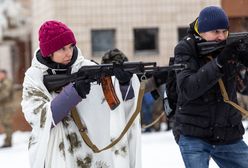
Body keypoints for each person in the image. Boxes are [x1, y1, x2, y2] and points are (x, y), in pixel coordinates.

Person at [21, 20, 141, 168]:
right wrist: (75, 92)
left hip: (93, 156)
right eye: (62, 49)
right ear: (49, 52)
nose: (69, 53)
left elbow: (116, 108)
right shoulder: (35, 77)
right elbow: (39, 117)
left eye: (71, 46)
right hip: (56, 156)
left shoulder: (87, 68)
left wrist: (123, 83)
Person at [173, 6, 248, 168]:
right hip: (194, 133)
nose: (221, 37)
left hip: (228, 132)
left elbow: (244, 88)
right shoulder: (186, 49)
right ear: (202, 31)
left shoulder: (229, 47)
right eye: (216, 32)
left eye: (224, 31)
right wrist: (219, 62)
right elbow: (188, 89)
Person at [0, 69, 14, 148]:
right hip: (3, 106)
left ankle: (8, 141)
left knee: (7, 123)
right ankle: (7, 140)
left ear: (4, 75)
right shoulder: (2, 83)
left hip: (7, 106)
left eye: (1, 74)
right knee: (5, 123)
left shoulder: (7, 82)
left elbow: (5, 94)